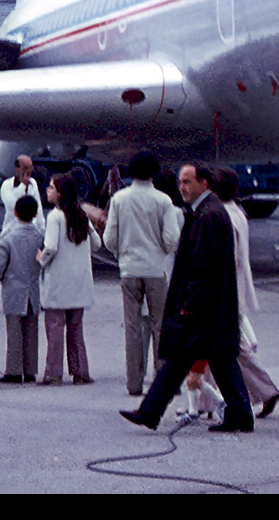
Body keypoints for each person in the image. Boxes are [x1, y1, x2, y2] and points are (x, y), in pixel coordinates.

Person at [120, 163, 253, 434]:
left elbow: (203, 266)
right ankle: (239, 414)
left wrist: (190, 304)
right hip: (210, 307)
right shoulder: (207, 211)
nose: (182, 187)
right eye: (181, 182)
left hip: (203, 307)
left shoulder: (208, 215)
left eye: (188, 182)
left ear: (204, 183)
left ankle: (151, 411)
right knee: (213, 360)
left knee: (191, 358)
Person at [104, 151, 182, 396]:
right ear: (154, 173)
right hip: (156, 270)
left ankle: (134, 382)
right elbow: (172, 239)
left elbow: (109, 238)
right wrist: (161, 250)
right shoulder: (163, 201)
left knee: (133, 326)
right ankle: (162, 380)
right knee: (160, 326)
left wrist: (121, 253)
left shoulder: (119, 199)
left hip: (129, 269)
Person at [211, 166, 279, 418]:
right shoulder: (236, 212)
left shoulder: (222, 215)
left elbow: (225, 258)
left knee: (233, 348)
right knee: (228, 347)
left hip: (223, 292)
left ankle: (263, 391)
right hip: (233, 290)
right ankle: (218, 399)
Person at [36, 173, 101, 384]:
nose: (48, 191)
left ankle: (53, 373)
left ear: (61, 193)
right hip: (79, 281)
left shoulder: (55, 216)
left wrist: (41, 259)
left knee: (55, 328)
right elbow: (97, 244)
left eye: (52, 188)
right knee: (76, 330)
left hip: (58, 282)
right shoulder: (81, 215)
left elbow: (51, 247)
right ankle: (81, 371)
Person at [0, 195, 43, 383]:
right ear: (35, 213)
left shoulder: (8, 237)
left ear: (15, 213)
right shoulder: (39, 236)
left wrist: (1, 277)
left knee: (14, 331)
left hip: (13, 289)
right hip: (33, 288)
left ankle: (13, 370)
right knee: (31, 330)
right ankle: (30, 369)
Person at [0, 154, 45, 239]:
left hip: (30, 233)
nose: (29, 171)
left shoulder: (33, 183)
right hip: (10, 232)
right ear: (17, 168)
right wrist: (23, 185)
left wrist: (42, 229)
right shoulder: (7, 185)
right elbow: (13, 205)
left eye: (31, 168)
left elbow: (38, 208)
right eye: (26, 168)